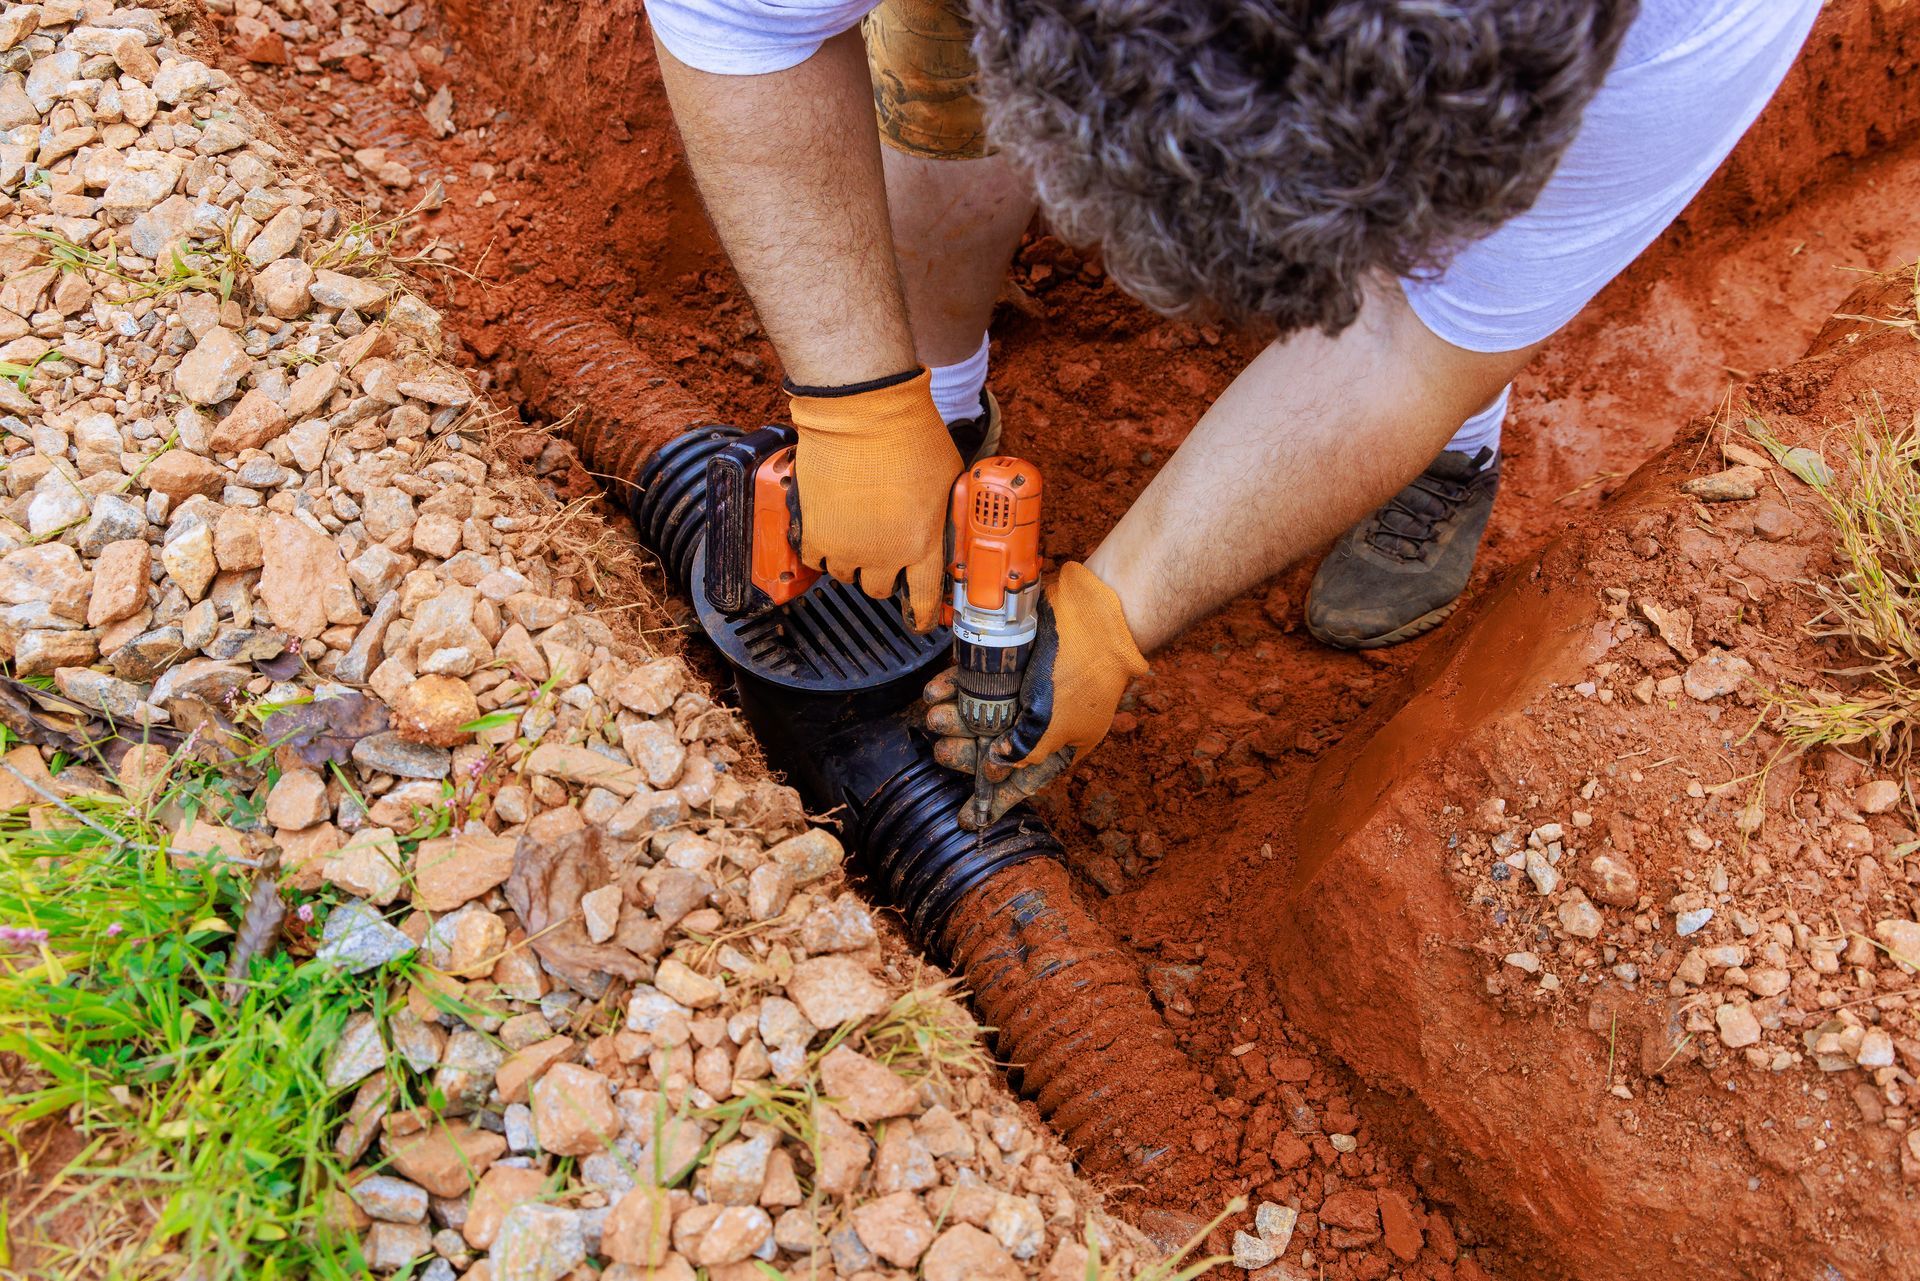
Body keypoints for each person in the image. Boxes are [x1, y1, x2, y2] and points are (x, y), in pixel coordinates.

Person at [645, 0, 1819, 824]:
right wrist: (858, 397)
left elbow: (1413, 344)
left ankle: (1451, 449)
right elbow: (738, 24)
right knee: (936, 67)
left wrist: (1118, 609)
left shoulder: (1694, 28)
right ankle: (937, 395)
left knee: (1457, 287)